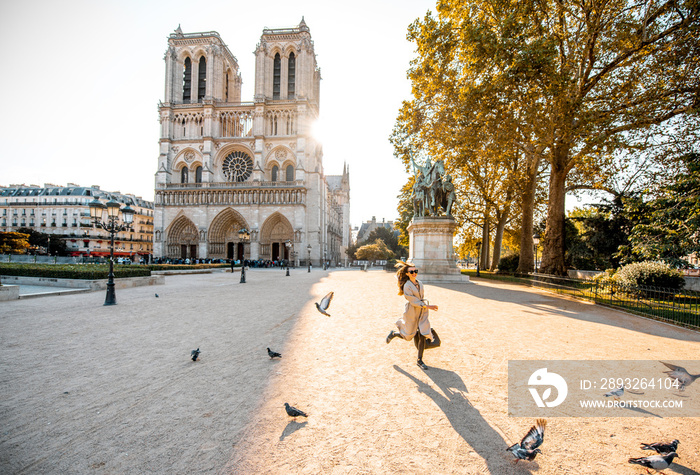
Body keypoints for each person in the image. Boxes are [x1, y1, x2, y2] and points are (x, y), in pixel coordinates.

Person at [386, 261, 438, 369]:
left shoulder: (420, 283)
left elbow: (420, 297)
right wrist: (427, 306)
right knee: (409, 335)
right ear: (407, 274)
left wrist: (425, 307)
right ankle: (394, 334)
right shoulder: (407, 286)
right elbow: (413, 301)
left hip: (422, 312)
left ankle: (419, 360)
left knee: (423, 333)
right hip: (412, 312)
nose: (414, 273)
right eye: (412, 271)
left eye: (415, 271)